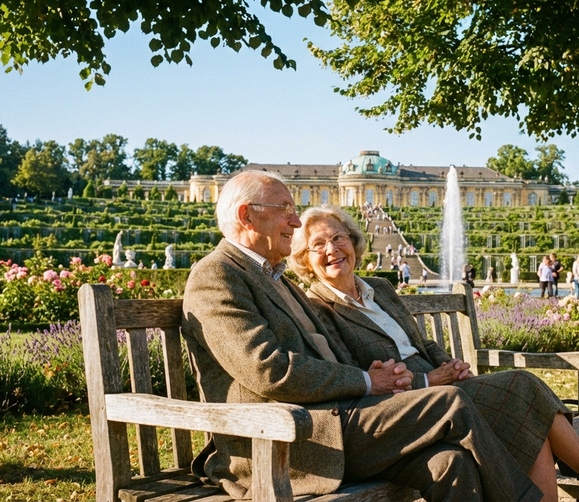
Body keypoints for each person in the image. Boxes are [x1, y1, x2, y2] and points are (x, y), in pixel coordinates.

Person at [181, 172, 545, 501]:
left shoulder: (278, 279)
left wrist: (374, 374)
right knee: (449, 402)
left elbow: (329, 352)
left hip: (337, 422)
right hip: (285, 440)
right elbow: (269, 370)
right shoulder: (216, 275)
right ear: (246, 215)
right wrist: (367, 380)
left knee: (450, 462)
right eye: (285, 210)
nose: (295, 221)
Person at [289, 204, 579, 502]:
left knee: (521, 401)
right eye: (317, 245)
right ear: (305, 260)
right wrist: (428, 379)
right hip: (411, 405)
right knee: (521, 386)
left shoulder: (379, 288)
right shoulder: (318, 307)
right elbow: (361, 373)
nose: (332, 250)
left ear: (354, 242)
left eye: (338, 238)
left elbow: (422, 343)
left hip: (446, 387)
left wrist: (447, 363)